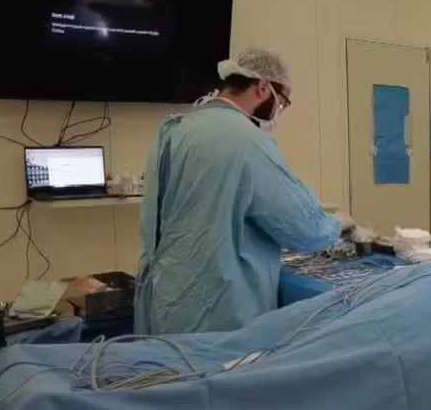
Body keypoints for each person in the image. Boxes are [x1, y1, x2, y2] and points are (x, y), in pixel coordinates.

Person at [135, 48, 354, 335]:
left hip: (167, 296)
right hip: (218, 308)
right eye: (282, 102)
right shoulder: (246, 140)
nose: (278, 111)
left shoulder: (175, 129)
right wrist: (337, 224)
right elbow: (301, 228)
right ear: (263, 87)